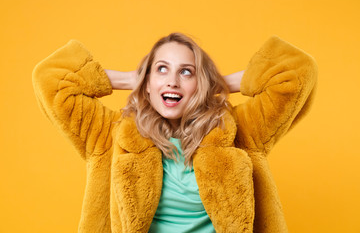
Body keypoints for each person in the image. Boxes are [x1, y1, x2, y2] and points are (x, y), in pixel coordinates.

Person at [32, 33, 317, 233]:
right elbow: (51, 78)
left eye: (186, 72)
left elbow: (297, 70)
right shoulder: (111, 136)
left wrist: (216, 83)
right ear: (147, 82)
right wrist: (133, 78)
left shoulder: (240, 131)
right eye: (161, 70)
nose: (172, 81)